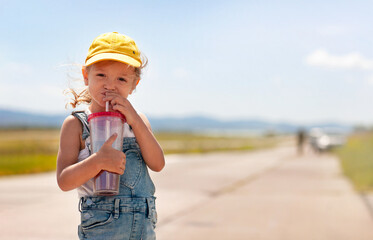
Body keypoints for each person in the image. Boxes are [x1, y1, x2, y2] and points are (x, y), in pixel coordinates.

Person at [56, 32, 165, 240]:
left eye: (121, 79)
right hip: (102, 228)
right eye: (101, 75)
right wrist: (97, 162)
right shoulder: (77, 125)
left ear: (134, 85)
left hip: (143, 228)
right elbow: (64, 181)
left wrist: (134, 119)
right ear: (86, 76)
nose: (110, 85)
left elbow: (158, 164)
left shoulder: (138, 122)